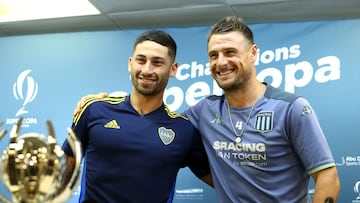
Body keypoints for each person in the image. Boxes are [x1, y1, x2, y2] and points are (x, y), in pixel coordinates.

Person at [75, 16, 340, 202]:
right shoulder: (202, 112)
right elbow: (153, 117)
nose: (221, 62)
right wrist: (98, 103)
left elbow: (328, 176)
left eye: (230, 52)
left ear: (253, 53)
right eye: (214, 55)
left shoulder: (292, 108)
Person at [62, 30, 212, 203]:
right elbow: (65, 169)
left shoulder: (184, 130)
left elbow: (225, 183)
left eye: (157, 63)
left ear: (173, 69)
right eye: (141, 60)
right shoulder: (94, 109)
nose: (147, 70)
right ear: (130, 63)